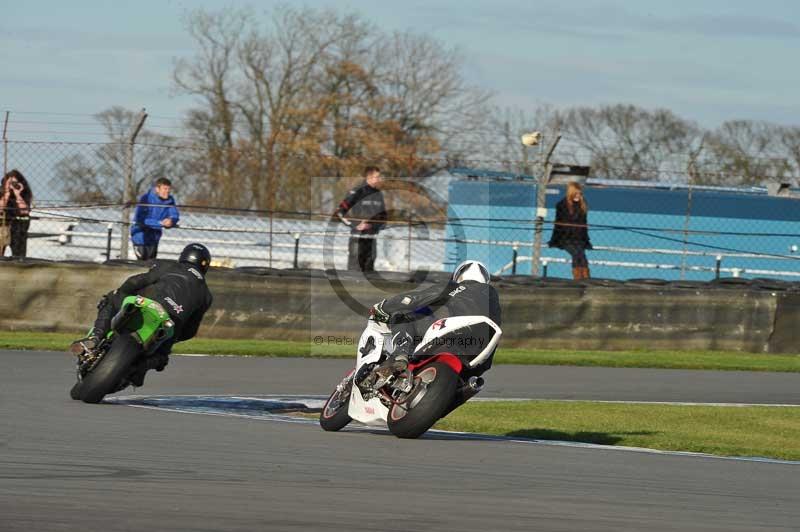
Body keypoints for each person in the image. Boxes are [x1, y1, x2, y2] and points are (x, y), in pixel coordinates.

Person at [70, 243, 213, 386]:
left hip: (147, 305)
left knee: (110, 299)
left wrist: (123, 292)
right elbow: (190, 330)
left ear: (183, 256)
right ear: (205, 265)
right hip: (170, 323)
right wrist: (175, 337)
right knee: (162, 358)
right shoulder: (206, 295)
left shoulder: (168, 266)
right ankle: (140, 369)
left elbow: (136, 281)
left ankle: (95, 338)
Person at [370, 259, 502, 381]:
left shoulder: (454, 287)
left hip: (455, 336)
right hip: (479, 358)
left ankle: (401, 354)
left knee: (403, 316)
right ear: (485, 279)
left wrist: (384, 307)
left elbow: (414, 299)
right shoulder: (492, 296)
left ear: (459, 276)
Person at [334, 166, 387, 271]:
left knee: (369, 264)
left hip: (371, 237)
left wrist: (375, 225)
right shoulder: (356, 192)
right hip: (357, 237)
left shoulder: (378, 194)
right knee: (356, 265)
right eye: (377, 177)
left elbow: (383, 216)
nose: (379, 179)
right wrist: (356, 224)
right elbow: (340, 212)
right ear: (369, 177)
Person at [548, 181, 592, 280]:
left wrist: (585, 241)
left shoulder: (582, 205)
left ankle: (586, 278)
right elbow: (558, 224)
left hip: (579, 239)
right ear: (570, 193)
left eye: (580, 193)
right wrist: (556, 239)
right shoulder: (562, 205)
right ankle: (578, 279)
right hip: (566, 238)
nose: (578, 196)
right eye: (576, 193)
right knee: (577, 253)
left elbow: (584, 225)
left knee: (582, 255)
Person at [131, 177, 179, 261]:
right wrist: (160, 223)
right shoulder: (146, 198)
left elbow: (174, 214)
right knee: (142, 261)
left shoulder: (170, 200)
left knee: (151, 262)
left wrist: (171, 221)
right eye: (165, 189)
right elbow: (141, 219)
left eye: (169, 189)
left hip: (154, 237)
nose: (167, 191)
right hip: (140, 236)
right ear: (157, 189)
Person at [0, 169, 33, 258]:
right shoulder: (2, 192)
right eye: (10, 182)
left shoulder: (24, 193)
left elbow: (24, 211)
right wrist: (6, 192)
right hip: (3, 224)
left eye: (15, 182)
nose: (12, 185)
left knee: (19, 255)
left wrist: (17, 194)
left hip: (19, 225)